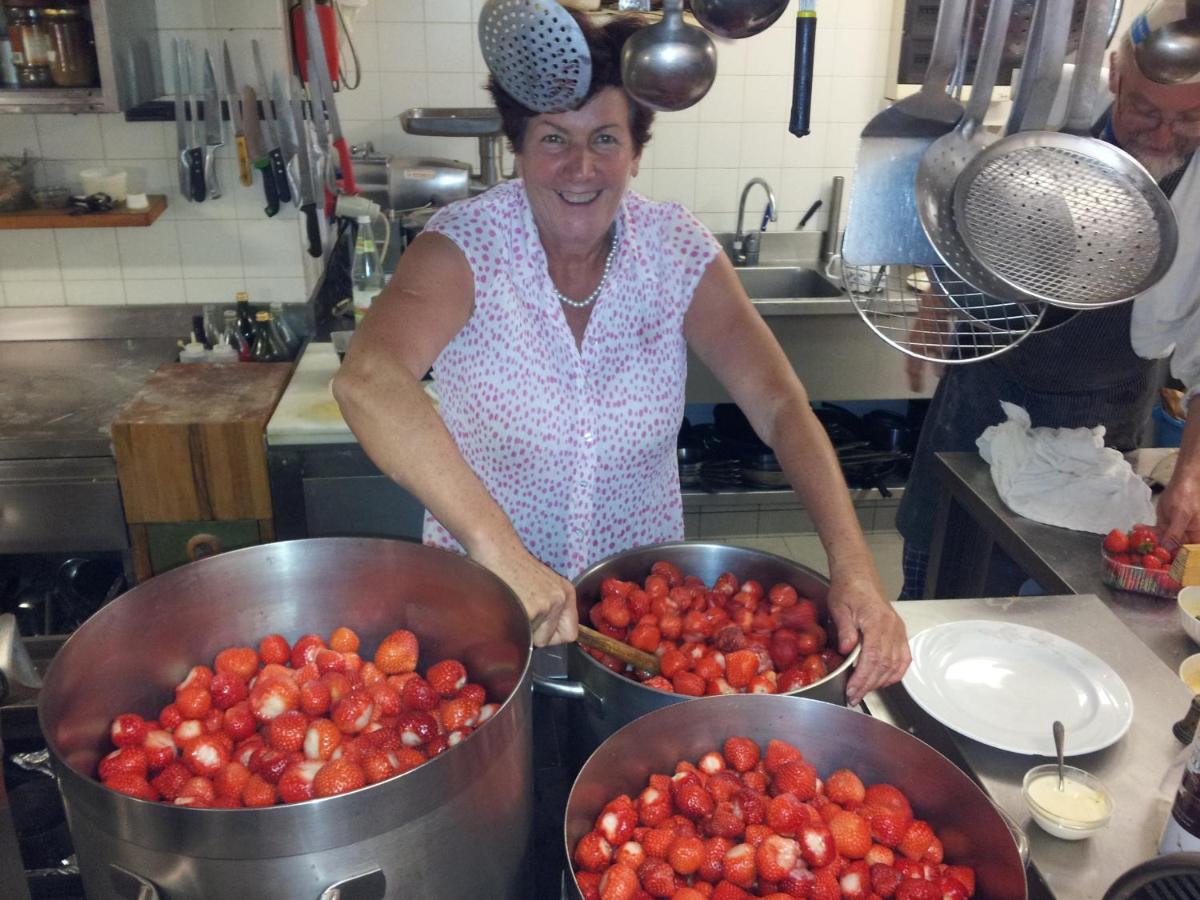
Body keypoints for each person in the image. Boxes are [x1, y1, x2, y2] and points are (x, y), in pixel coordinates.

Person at [333, 11, 908, 703]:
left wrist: (856, 570)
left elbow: (782, 406)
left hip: (642, 632)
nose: (581, 167)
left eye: (606, 138)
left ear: (636, 152)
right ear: (518, 147)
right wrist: (502, 555)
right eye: (554, 139)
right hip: (487, 626)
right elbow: (368, 382)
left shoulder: (675, 251)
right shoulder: (464, 248)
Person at [897, 3, 1200, 600]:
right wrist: (940, 300)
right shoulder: (1051, 119)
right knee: (936, 572)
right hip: (984, 389)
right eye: (1144, 108)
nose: (1164, 135)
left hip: (1104, 416)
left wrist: (1191, 471)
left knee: (1066, 597)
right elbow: (976, 217)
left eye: (1190, 117)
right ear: (1114, 75)